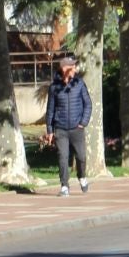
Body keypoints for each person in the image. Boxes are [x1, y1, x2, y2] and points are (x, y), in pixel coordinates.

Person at [42, 51, 94, 196]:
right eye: (72, 66)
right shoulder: (54, 88)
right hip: (61, 129)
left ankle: (82, 176)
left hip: (77, 128)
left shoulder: (79, 84)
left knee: (81, 157)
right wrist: (50, 131)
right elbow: (50, 110)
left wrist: (83, 123)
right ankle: (64, 186)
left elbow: (88, 104)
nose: (75, 68)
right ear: (65, 69)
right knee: (62, 157)